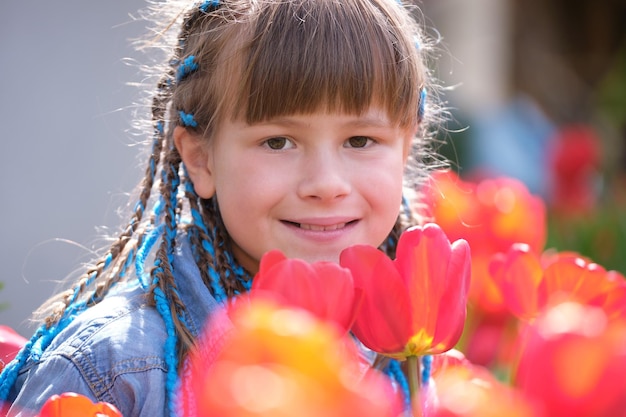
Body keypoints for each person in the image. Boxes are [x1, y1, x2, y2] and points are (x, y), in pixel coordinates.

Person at [0, 0, 442, 415]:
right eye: (277, 141)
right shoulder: (113, 368)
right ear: (201, 160)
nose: (326, 184)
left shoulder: (413, 364)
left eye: (360, 140)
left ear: (405, 148)